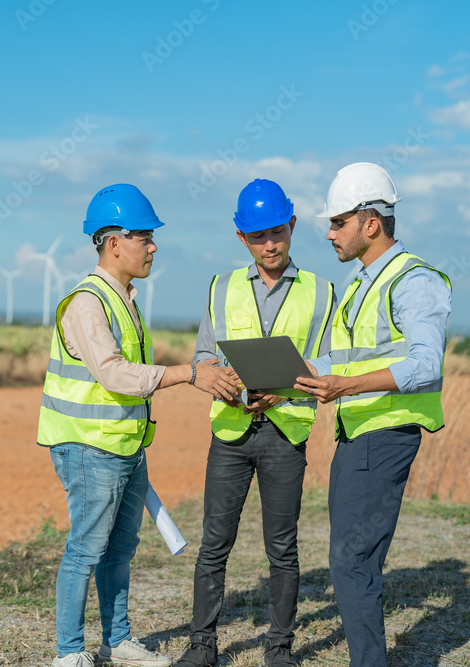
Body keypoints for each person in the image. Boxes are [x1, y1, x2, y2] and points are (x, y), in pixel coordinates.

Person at [37, 183, 241, 667]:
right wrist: (189, 373)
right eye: (144, 237)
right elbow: (114, 373)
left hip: (125, 446)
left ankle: (117, 641)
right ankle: (68, 654)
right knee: (86, 550)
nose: (153, 247)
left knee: (121, 548)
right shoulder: (88, 303)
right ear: (114, 243)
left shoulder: (123, 298)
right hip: (89, 448)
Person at [174, 179, 336, 667]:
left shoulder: (322, 292)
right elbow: (205, 357)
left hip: (286, 435)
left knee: (282, 548)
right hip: (230, 431)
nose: (269, 245)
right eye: (257, 236)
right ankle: (203, 644)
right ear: (240, 237)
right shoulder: (221, 288)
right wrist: (231, 385)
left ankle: (279, 648)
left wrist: (282, 388)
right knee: (214, 543)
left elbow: (330, 364)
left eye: (276, 233)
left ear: (291, 226)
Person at [295, 162, 451, 666]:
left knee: (351, 559)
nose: (328, 232)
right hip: (358, 434)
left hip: (384, 434)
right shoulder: (363, 284)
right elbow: (347, 359)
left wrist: (347, 386)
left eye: (338, 221)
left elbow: (425, 365)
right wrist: (283, 377)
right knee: (354, 559)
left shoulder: (414, 281)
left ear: (370, 223)